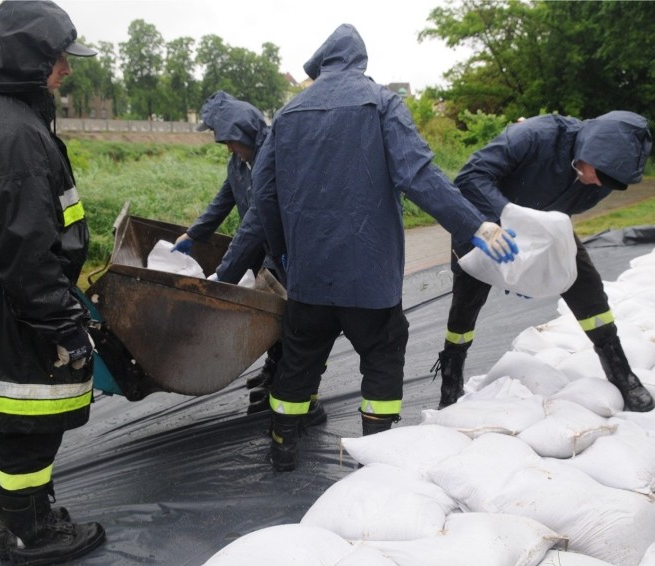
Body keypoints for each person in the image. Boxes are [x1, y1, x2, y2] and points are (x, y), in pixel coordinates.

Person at [249, 23, 518, 472]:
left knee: (299, 358)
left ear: (322, 66)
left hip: (309, 277)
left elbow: (264, 191)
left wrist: (284, 253)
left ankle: (282, 446)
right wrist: (476, 226)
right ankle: (376, 453)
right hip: (368, 276)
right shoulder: (381, 102)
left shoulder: (288, 113)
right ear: (360, 62)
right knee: (383, 351)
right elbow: (417, 175)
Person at [0, 1, 105, 562]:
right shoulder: (16, 139)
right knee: (32, 425)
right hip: (18, 303)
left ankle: (11, 511)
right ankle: (31, 535)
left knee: (8, 425)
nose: (67, 70)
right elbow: (27, 252)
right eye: (60, 59)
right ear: (32, 59)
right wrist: (65, 327)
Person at [433, 111, 655, 413]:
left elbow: (559, 217)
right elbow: (470, 178)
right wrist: (503, 222)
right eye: (598, 173)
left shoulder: (599, 179)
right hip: (483, 226)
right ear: (591, 149)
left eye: (607, 181)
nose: (595, 182)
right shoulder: (533, 136)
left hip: (542, 231)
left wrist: (531, 265)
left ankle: (621, 372)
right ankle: (451, 375)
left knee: (587, 287)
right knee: (465, 306)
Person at [172, 92, 326, 426]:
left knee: (298, 325)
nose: (226, 147)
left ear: (242, 132)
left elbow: (256, 219)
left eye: (228, 140)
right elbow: (224, 199)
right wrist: (193, 234)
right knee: (273, 318)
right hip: (265, 251)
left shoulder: (275, 158)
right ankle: (276, 373)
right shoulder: (238, 162)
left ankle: (305, 399)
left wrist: (222, 277)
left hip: (290, 253)